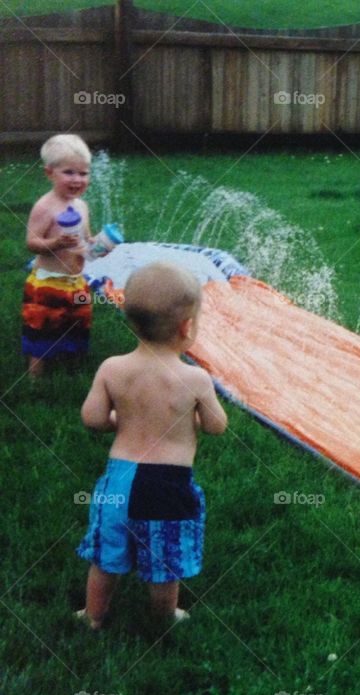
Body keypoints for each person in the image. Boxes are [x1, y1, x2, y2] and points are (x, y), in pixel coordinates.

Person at [75, 262, 228, 629]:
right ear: (186, 327)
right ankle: (164, 616)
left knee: (106, 552)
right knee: (164, 556)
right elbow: (216, 425)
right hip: (168, 484)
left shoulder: (112, 368)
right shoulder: (195, 378)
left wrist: (120, 420)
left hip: (119, 481)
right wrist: (187, 419)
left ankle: (93, 615)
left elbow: (93, 419)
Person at [23, 134, 95, 376]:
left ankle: (73, 367)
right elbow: (31, 243)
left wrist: (99, 243)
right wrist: (55, 242)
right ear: (49, 173)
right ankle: (36, 377)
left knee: (78, 321)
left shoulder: (81, 205)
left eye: (83, 174)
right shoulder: (46, 206)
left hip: (76, 282)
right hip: (48, 282)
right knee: (43, 326)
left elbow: (86, 238)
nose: (77, 179)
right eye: (69, 172)